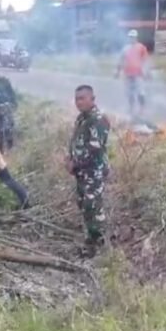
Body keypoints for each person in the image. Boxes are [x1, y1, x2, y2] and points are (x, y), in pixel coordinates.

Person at [66, 85, 111, 257]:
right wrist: (69, 158)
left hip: (94, 172)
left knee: (93, 206)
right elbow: (76, 141)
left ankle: (99, 245)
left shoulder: (98, 120)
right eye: (77, 99)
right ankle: (90, 241)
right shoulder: (82, 119)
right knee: (84, 205)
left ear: (92, 99)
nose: (79, 102)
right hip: (82, 172)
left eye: (83, 98)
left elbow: (94, 149)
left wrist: (75, 163)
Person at [116, 29, 151, 127]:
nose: (131, 38)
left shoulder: (141, 47)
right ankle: (131, 109)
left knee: (140, 92)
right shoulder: (125, 48)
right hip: (128, 74)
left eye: (133, 37)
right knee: (129, 93)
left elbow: (145, 60)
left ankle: (142, 109)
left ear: (136, 37)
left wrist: (147, 72)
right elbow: (121, 60)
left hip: (138, 74)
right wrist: (118, 71)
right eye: (130, 37)